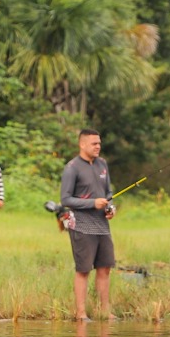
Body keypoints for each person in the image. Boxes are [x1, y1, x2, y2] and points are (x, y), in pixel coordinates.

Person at [60, 128, 115, 320]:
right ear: (82, 144)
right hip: (81, 225)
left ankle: (105, 312)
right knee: (83, 270)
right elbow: (65, 199)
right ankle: (81, 313)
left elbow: (108, 194)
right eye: (94, 143)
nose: (98, 146)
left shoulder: (103, 165)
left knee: (105, 267)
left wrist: (110, 207)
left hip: (102, 226)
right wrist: (92, 203)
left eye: (99, 143)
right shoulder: (72, 167)